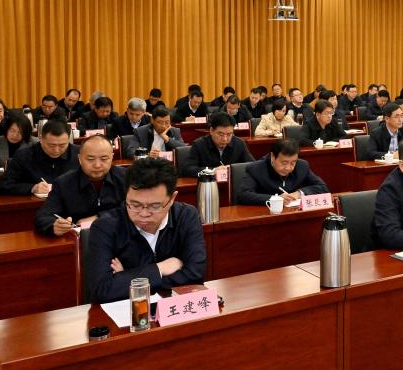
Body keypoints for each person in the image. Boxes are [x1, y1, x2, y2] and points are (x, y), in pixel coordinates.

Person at [85, 157, 206, 303]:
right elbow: (101, 290)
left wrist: (127, 277)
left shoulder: (186, 216)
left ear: (172, 199)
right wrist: (159, 269)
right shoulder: (105, 227)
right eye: (135, 205)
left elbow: (196, 275)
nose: (143, 213)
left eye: (154, 206)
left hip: (173, 308)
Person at [34, 135, 126, 237]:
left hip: (119, 235)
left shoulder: (126, 177)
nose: (97, 165)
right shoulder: (63, 183)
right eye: (90, 159)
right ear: (80, 158)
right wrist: (54, 225)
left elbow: (134, 208)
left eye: (104, 159)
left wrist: (99, 217)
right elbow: (43, 216)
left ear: (112, 157)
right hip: (79, 239)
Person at [0, 120, 79, 195]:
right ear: (40, 138)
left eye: (62, 145)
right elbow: (4, 186)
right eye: (51, 145)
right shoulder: (24, 155)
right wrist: (33, 188)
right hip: (35, 203)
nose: (56, 150)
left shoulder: (79, 154)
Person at [238, 139, 329, 205]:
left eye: (293, 163)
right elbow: (243, 195)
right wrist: (275, 199)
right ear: (273, 157)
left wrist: (299, 193)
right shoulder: (256, 169)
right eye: (284, 163)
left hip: (295, 214)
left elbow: (322, 187)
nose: (288, 168)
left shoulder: (302, 166)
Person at [180, 112, 253, 177]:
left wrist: (234, 169)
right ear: (211, 130)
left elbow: (252, 165)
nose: (225, 139)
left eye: (229, 134)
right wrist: (212, 171)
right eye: (221, 134)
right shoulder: (199, 145)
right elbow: (187, 169)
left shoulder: (239, 143)